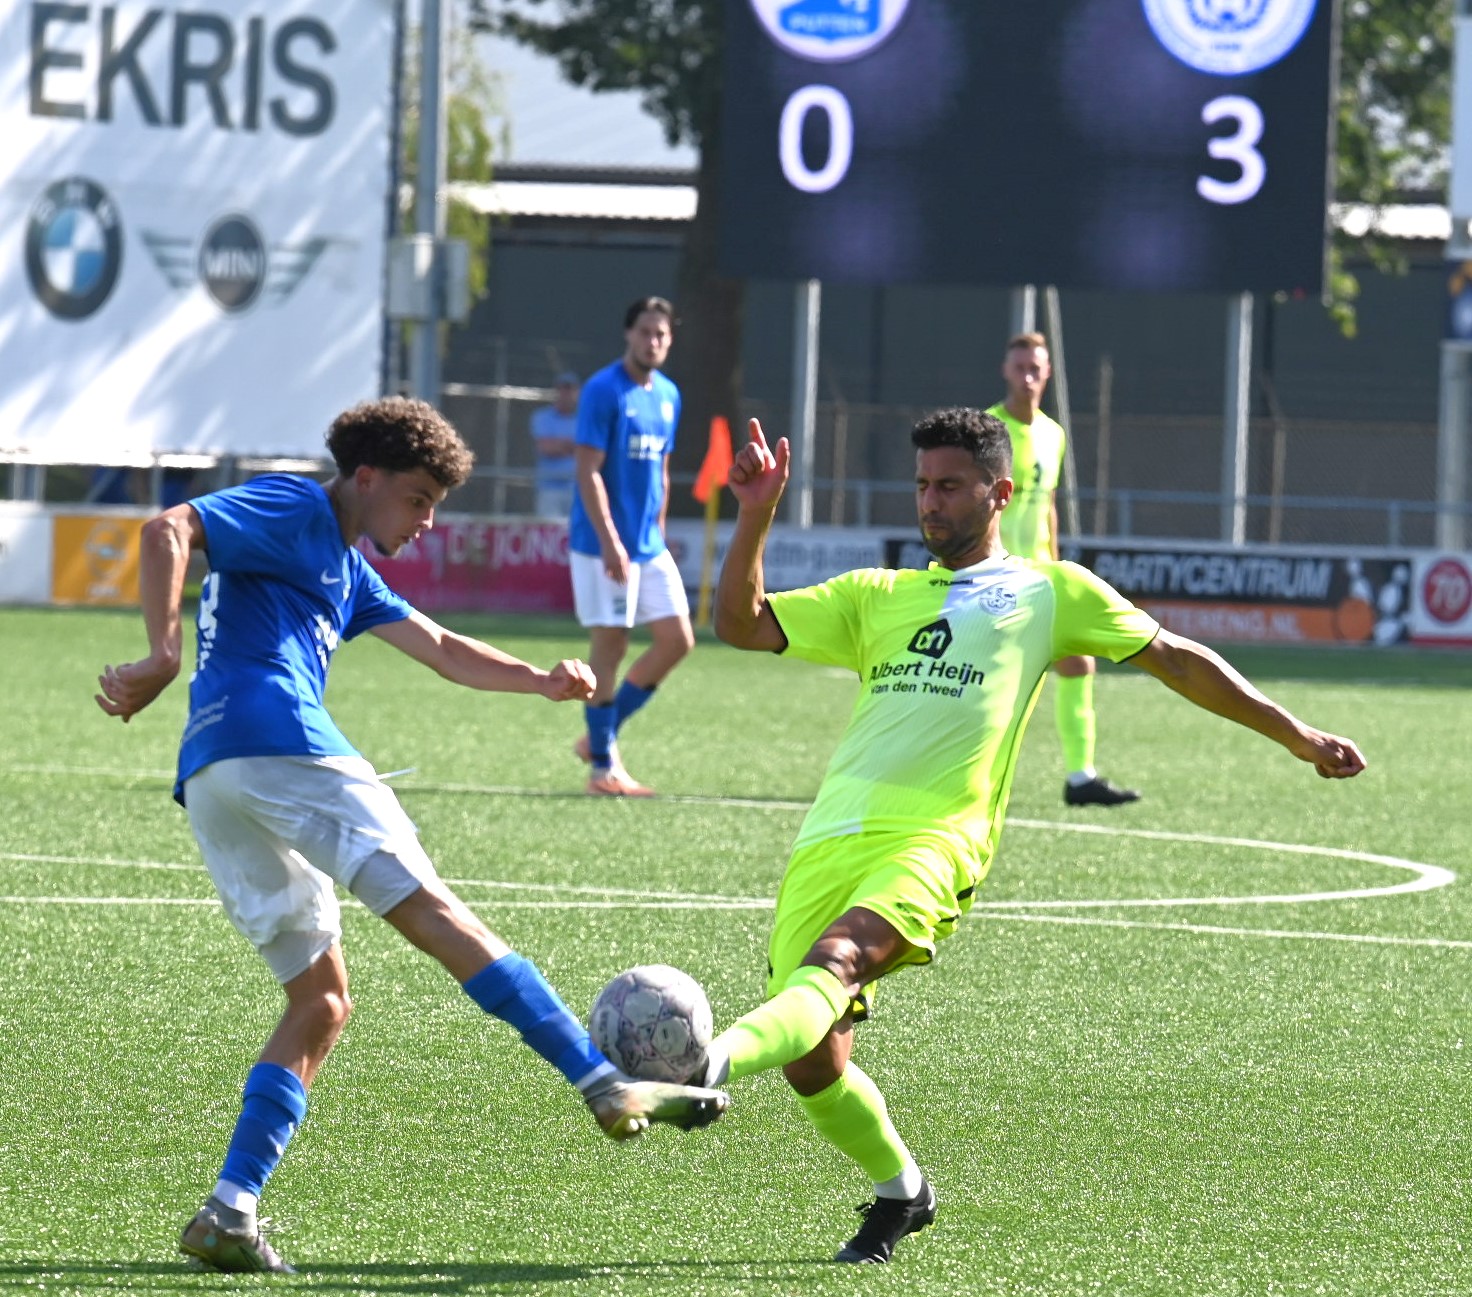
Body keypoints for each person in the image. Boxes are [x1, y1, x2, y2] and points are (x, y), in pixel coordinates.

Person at [705, 408, 1365, 1265]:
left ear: (1000, 493)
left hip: (936, 838)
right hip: (827, 839)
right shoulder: (877, 594)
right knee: (813, 1065)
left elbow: (1177, 658)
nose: (930, 502)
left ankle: (705, 1062)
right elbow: (741, 623)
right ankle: (903, 1191)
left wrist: (1296, 734)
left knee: (837, 961)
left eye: (950, 486)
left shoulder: (1051, 592)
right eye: (922, 486)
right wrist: (756, 514)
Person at [94, 396, 728, 1274]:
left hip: (214, 777)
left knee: (321, 1001)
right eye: (419, 498)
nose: (427, 521)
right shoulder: (296, 504)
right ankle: (601, 1080)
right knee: (436, 912)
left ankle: (228, 1210)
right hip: (279, 739)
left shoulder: (348, 570)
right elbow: (168, 528)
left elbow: (441, 646)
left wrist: (541, 680)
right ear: (365, 477)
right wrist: (162, 653)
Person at [987, 331, 1139, 806]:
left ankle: (1080, 778)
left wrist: (1053, 561)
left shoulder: (1053, 433)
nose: (1027, 377)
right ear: (1005, 371)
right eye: (1020, 367)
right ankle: (967, 772)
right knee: (992, 679)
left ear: (1048, 373)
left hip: (1040, 575)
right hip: (996, 575)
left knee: (1078, 661)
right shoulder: (989, 430)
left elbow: (1048, 503)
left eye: (1035, 368)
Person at [568, 296, 694, 796]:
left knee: (677, 640)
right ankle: (603, 770)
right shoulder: (604, 390)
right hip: (602, 545)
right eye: (645, 332)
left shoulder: (668, 394)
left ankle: (599, 737)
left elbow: (661, 468)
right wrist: (610, 542)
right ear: (628, 334)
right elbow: (587, 471)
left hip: (648, 546)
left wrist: (657, 531)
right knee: (611, 646)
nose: (653, 341)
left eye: (661, 333)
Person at [529, 371, 580, 518]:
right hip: (549, 489)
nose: (567, 394)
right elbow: (545, 448)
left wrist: (560, 444)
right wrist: (572, 447)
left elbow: (586, 450)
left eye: (571, 389)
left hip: (576, 489)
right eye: (563, 389)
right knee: (549, 529)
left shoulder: (583, 419)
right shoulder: (541, 417)